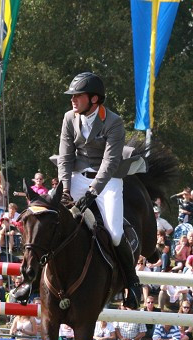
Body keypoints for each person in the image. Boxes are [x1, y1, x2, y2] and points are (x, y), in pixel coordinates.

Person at [57, 72, 141, 309]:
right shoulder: (69, 118)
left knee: (114, 233)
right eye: (72, 96)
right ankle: (34, 279)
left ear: (94, 99)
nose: (73, 100)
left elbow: (110, 162)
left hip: (108, 181)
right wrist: (65, 188)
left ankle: (132, 283)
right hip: (76, 177)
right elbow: (65, 155)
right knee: (55, 220)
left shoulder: (113, 122)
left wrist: (92, 192)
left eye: (78, 96)